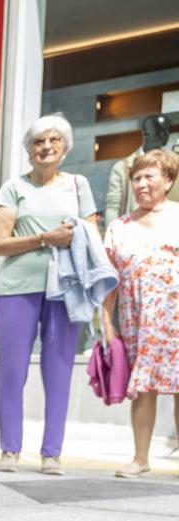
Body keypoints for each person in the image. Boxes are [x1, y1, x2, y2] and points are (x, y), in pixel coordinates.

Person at [0, 114, 97, 475]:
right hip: (17, 288)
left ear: (65, 148)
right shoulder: (13, 187)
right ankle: (10, 450)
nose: (46, 147)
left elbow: (92, 237)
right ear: (29, 149)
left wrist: (75, 232)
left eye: (54, 140)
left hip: (64, 289)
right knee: (12, 370)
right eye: (39, 141)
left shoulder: (79, 186)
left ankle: (52, 453)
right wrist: (43, 239)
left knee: (59, 370)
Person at [101, 148, 179, 478]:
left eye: (150, 176)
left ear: (169, 180)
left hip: (174, 319)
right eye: (136, 177)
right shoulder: (119, 227)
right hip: (137, 322)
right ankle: (140, 457)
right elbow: (108, 282)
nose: (142, 183)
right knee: (142, 389)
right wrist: (107, 324)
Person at [105, 114, 179, 225]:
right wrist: (112, 235)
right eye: (161, 132)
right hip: (135, 230)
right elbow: (113, 206)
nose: (166, 135)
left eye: (167, 131)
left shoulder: (174, 163)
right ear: (147, 134)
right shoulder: (122, 168)